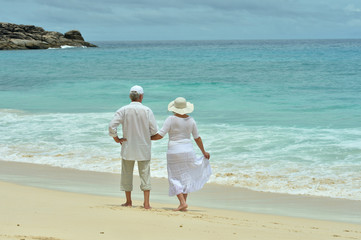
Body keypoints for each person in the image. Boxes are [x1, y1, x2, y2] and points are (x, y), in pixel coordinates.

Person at [151, 97, 211, 211]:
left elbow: (160, 135)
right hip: (188, 151)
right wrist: (204, 152)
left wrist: (147, 138)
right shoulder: (191, 120)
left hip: (174, 151)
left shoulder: (171, 119)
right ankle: (183, 203)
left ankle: (182, 203)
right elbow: (197, 138)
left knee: (174, 177)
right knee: (186, 177)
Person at [109, 85, 158, 209]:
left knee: (126, 174)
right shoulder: (147, 110)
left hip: (128, 147)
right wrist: (147, 137)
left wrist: (116, 139)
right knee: (145, 174)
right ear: (141, 96)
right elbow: (154, 130)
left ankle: (128, 201)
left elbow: (111, 126)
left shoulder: (123, 110)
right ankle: (146, 203)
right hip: (143, 147)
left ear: (130, 96)